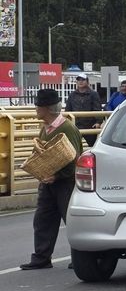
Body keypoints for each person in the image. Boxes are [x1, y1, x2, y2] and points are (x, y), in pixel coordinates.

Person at [20, 89, 84, 270]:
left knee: (71, 220)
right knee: (43, 220)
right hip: (48, 182)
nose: (36, 109)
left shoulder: (66, 128)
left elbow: (74, 158)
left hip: (66, 182)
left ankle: (80, 257)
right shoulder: (46, 128)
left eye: (38, 106)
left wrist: (57, 175)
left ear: (47, 109)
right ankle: (41, 257)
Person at [66, 75, 103, 147]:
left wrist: (98, 122)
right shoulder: (72, 95)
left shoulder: (94, 94)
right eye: (79, 80)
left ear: (87, 82)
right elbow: (68, 109)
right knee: (74, 146)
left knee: (92, 147)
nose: (80, 81)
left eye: (83, 80)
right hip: (75, 125)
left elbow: (97, 108)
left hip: (90, 125)